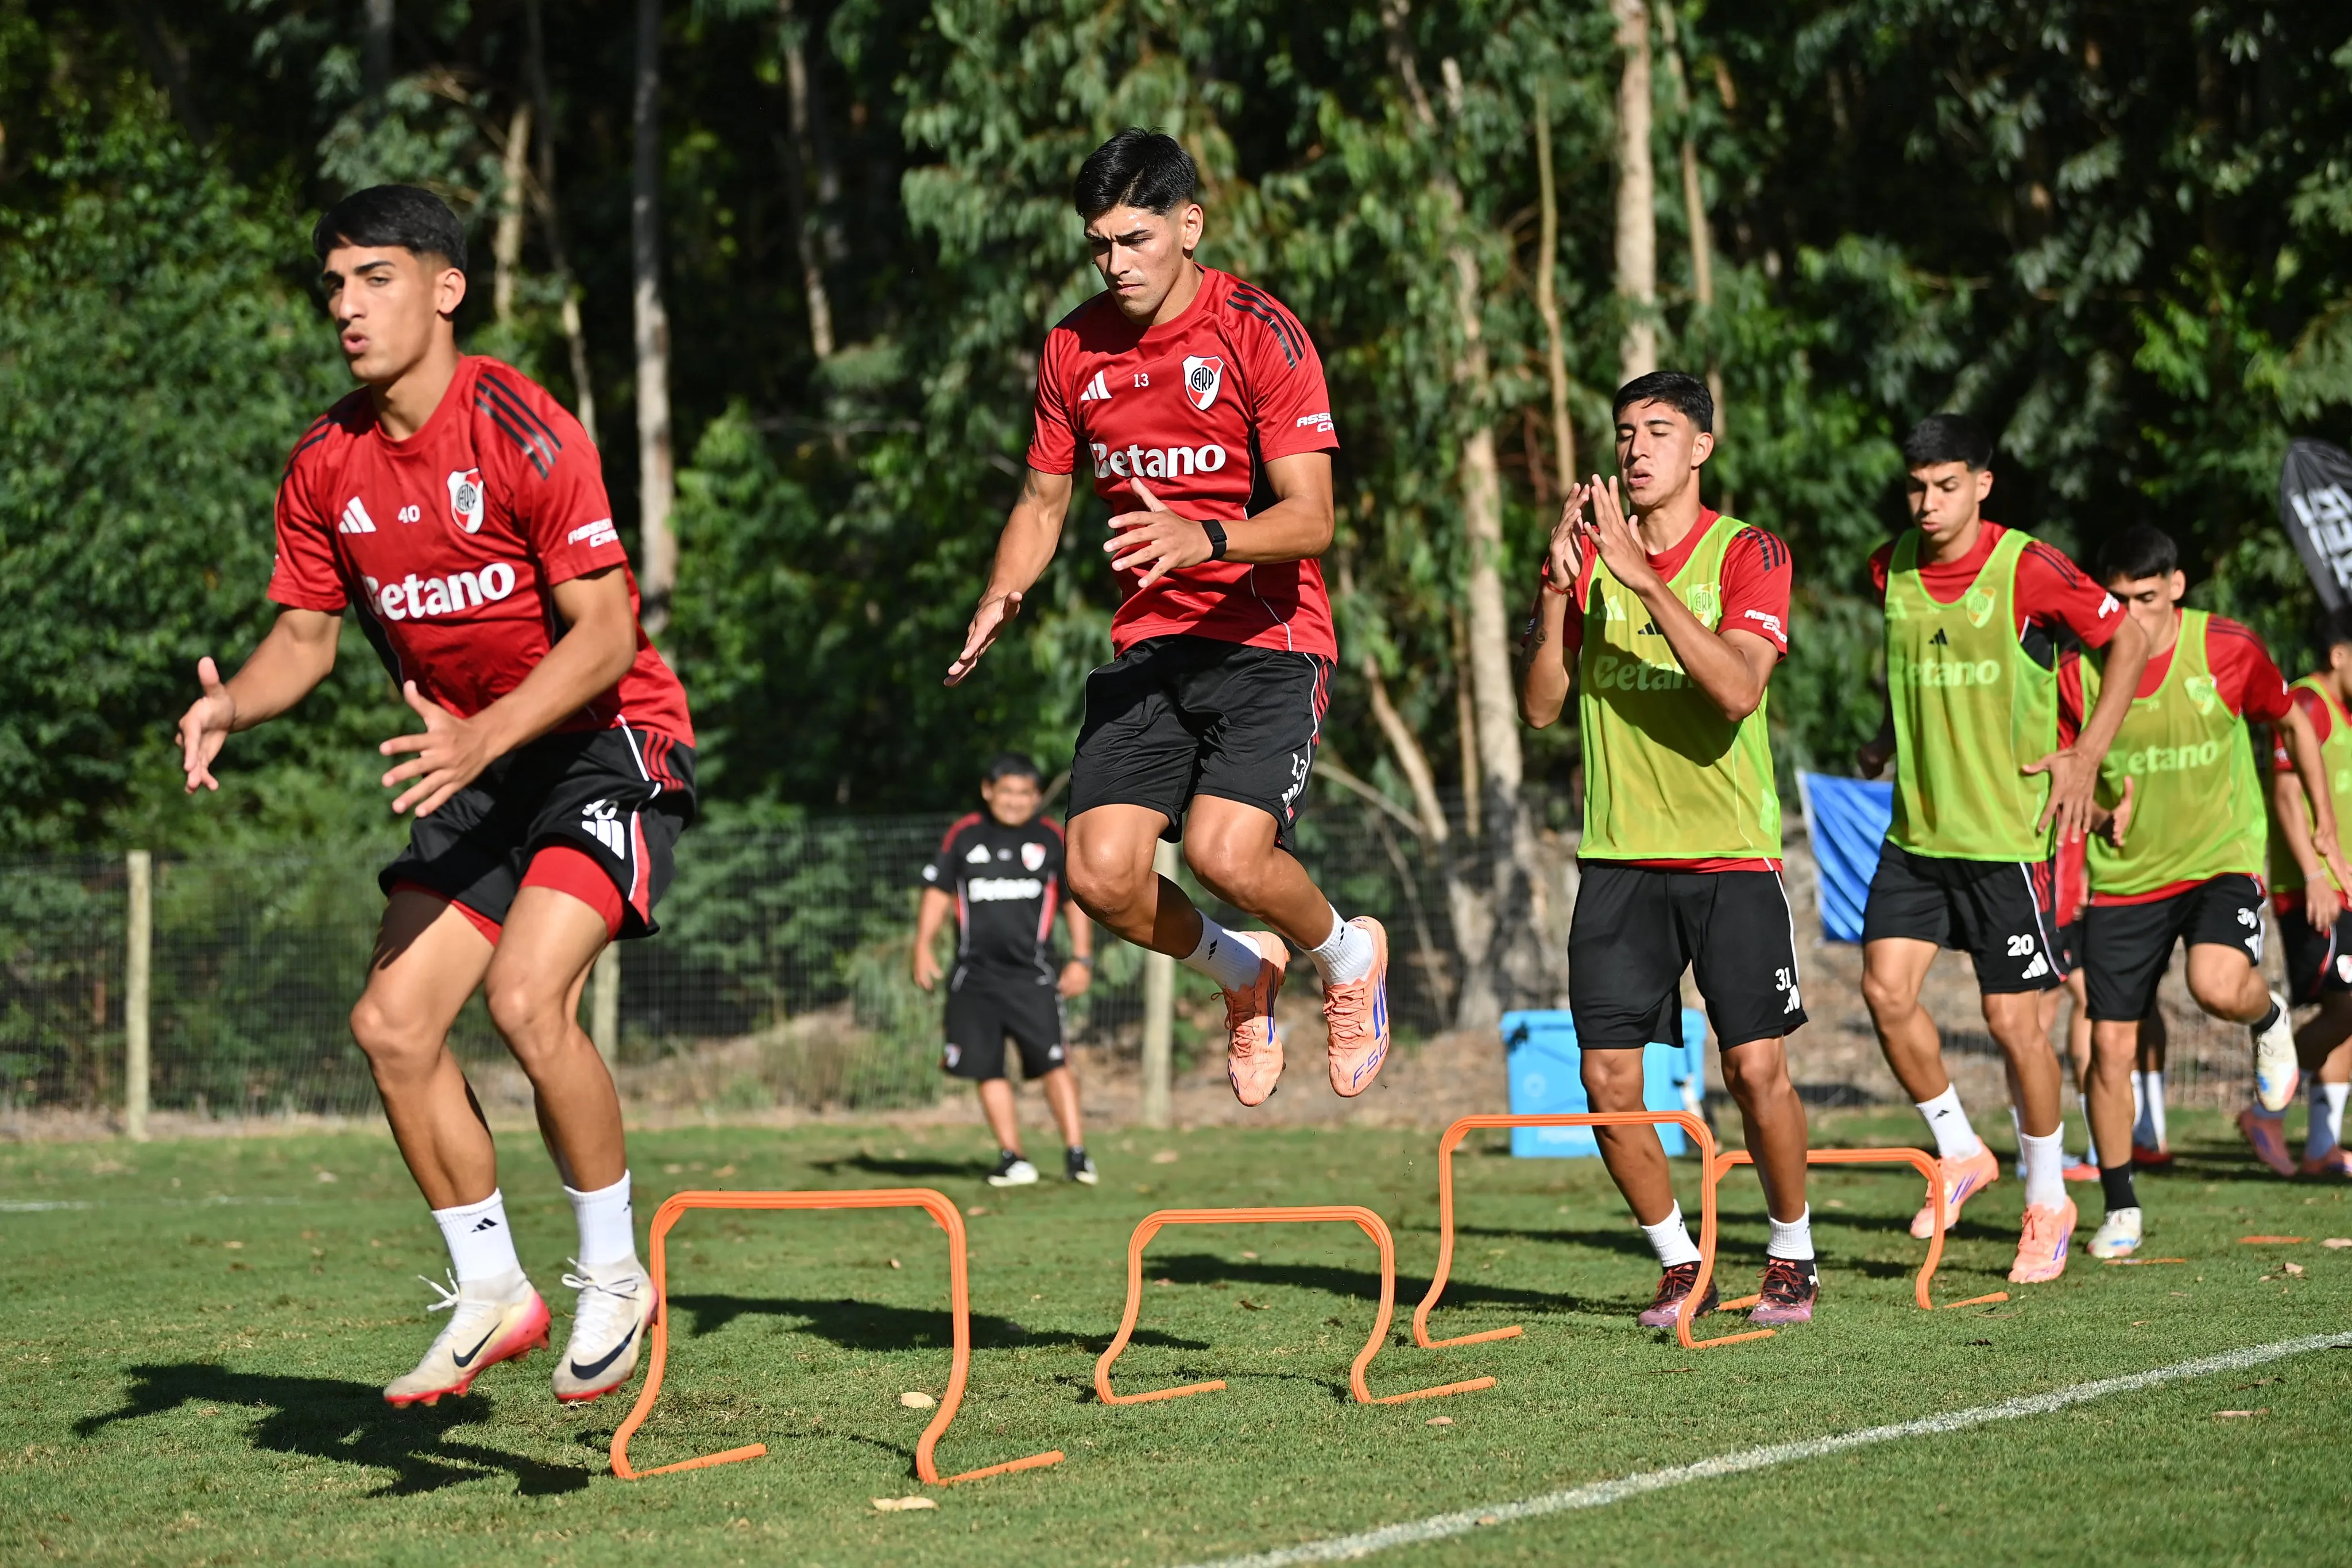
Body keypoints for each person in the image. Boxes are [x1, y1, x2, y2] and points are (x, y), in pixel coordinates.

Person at [175, 186, 694, 1408]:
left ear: (445, 289)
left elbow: (606, 633)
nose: (347, 307)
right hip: (475, 764)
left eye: (375, 278)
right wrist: (232, 704)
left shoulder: (522, 425)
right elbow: (302, 642)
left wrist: (482, 737)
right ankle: (493, 1289)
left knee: (524, 998)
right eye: (334, 285)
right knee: (393, 1026)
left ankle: (614, 1276)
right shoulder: (325, 460)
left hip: (603, 742)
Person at [945, 129, 1390, 1105]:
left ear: (1189, 226)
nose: (1116, 263)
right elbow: (1042, 503)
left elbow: (1312, 518)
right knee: (1099, 875)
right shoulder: (1071, 347)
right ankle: (1244, 971)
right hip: (1153, 645)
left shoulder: (1258, 331)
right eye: (1099, 244)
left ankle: (1350, 957)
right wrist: (1000, 591)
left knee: (1225, 854)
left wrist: (1206, 539)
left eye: (1135, 239)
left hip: (1267, 639)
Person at [1521, 371, 1820, 1327]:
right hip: (1619, 859)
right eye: (1624, 432)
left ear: (1701, 448)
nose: (1636, 448)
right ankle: (1680, 1263)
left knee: (1755, 1069)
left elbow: (1737, 690)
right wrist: (1557, 590)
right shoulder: (1587, 560)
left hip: (1730, 856)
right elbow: (1540, 706)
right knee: (1607, 1080)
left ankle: (1792, 1253)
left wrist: (1641, 579)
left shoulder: (1748, 552)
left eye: (1658, 429)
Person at [1855, 413, 2152, 1285]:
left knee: (2013, 1023)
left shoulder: (2027, 567)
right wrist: (1884, 738)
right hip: (1917, 832)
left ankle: (2049, 1199)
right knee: (1884, 991)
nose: (1928, 503)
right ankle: (1959, 1149)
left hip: (2005, 838)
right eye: (1916, 487)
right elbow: (1915, 667)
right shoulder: (1889, 566)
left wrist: (2087, 754)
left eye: (1946, 486)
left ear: (1982, 484)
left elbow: (2129, 640)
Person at [2062, 526, 2348, 1257]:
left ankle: (2266, 1015)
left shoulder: (2226, 648)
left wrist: (2324, 826)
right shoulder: (2077, 671)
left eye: (2146, 598)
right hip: (2127, 876)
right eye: (2118, 601)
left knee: (2216, 983)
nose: (2132, 615)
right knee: (2107, 1044)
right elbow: (2066, 776)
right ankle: (2120, 1205)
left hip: (2221, 856)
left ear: (2176, 587)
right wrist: (2098, 816)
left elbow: (2295, 723)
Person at [914, 754, 1099, 1186]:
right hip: (973, 979)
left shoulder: (1052, 838)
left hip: (1032, 977)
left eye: (1025, 793)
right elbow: (938, 891)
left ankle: (1077, 1155)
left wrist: (1082, 958)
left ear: (1037, 796)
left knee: (1054, 1063)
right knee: (986, 1067)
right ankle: (1013, 1157)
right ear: (988, 791)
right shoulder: (965, 835)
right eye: (1007, 791)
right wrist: (922, 946)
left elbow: (1074, 902)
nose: (1015, 801)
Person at [2242, 610, 2352, 1179]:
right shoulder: (2306, 703)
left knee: (2347, 1014)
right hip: (2313, 889)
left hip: (2342, 886)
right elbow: (2286, 795)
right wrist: (2313, 876)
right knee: (2347, 1007)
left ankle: (2322, 1146)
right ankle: (2265, 1112)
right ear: (2339, 655)